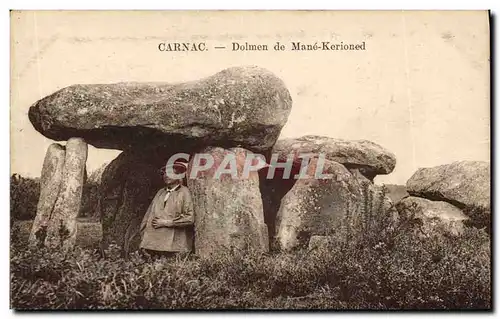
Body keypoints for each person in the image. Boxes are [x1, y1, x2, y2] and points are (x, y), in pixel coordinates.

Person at [138, 161, 194, 259]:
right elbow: (148, 215)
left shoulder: (184, 192)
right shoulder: (160, 192)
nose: (166, 176)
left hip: (174, 246)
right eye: (164, 174)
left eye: (170, 173)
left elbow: (190, 218)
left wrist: (167, 222)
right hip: (153, 244)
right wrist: (143, 237)